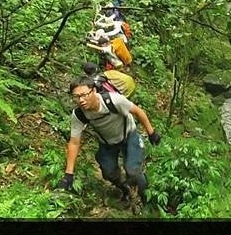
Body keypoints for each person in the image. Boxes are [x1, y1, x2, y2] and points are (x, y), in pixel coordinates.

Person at [58, 76, 161, 206]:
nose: (81, 100)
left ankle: (147, 201)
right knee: (108, 172)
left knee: (133, 171)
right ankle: (126, 190)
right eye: (76, 97)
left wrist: (151, 133)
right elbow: (74, 142)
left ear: (94, 91)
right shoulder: (79, 114)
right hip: (107, 142)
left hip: (129, 135)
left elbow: (138, 111)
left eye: (84, 95)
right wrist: (69, 174)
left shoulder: (113, 100)